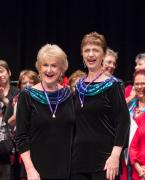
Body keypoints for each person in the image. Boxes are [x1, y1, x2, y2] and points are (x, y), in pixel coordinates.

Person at [71, 32, 130, 180]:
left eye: (95, 50)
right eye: (87, 50)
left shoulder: (113, 85)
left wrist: (115, 156)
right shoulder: (78, 86)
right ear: (82, 55)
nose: (91, 54)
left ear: (103, 54)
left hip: (105, 162)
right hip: (79, 161)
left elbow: (123, 122)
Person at [16, 44, 75, 180]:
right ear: (39, 68)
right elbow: (21, 137)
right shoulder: (27, 95)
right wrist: (30, 169)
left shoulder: (68, 94)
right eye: (45, 65)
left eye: (54, 65)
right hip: (36, 171)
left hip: (66, 169)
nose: (49, 70)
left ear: (61, 69)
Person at [0, 59, 19, 180]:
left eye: (1, 71)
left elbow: (19, 115)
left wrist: (4, 100)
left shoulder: (17, 92)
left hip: (10, 146)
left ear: (9, 72)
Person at [128, 69, 145, 180]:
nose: (139, 87)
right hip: (129, 162)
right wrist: (130, 97)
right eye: (136, 84)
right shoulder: (131, 106)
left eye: (143, 83)